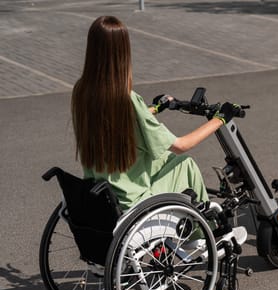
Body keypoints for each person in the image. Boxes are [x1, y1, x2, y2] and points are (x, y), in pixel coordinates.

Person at [71, 15, 237, 212]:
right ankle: (201, 233)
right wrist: (221, 118)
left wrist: (154, 108)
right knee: (185, 163)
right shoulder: (128, 99)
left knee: (165, 159)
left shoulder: (82, 91)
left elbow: (118, 121)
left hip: (104, 194)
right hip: (133, 201)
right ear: (123, 52)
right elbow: (181, 145)